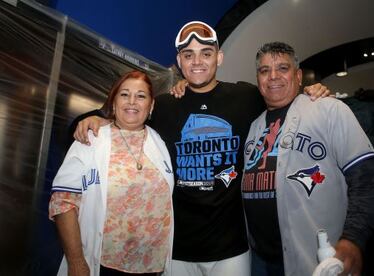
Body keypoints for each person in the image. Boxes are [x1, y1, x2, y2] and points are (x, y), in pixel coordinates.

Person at [73, 21, 329, 276]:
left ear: (219, 57)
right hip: (177, 250)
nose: (197, 62)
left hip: (232, 249)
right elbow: (129, 115)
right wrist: (100, 119)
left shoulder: (246, 97)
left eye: (206, 54)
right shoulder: (163, 105)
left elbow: (280, 96)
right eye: (188, 55)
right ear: (179, 61)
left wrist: (310, 92)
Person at [242, 41, 374, 276]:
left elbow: (367, 179)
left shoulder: (329, 110)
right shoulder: (254, 127)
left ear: (298, 76)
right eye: (264, 70)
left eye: (282, 68)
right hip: (259, 261)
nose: (273, 76)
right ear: (258, 79)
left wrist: (353, 239)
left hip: (314, 261)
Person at [49, 70, 174, 276]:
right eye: (124, 94)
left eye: (141, 96)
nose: (132, 101)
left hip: (153, 267)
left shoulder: (159, 142)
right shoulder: (90, 140)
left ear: (150, 106)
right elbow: (63, 202)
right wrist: (77, 261)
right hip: (102, 266)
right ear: (113, 102)